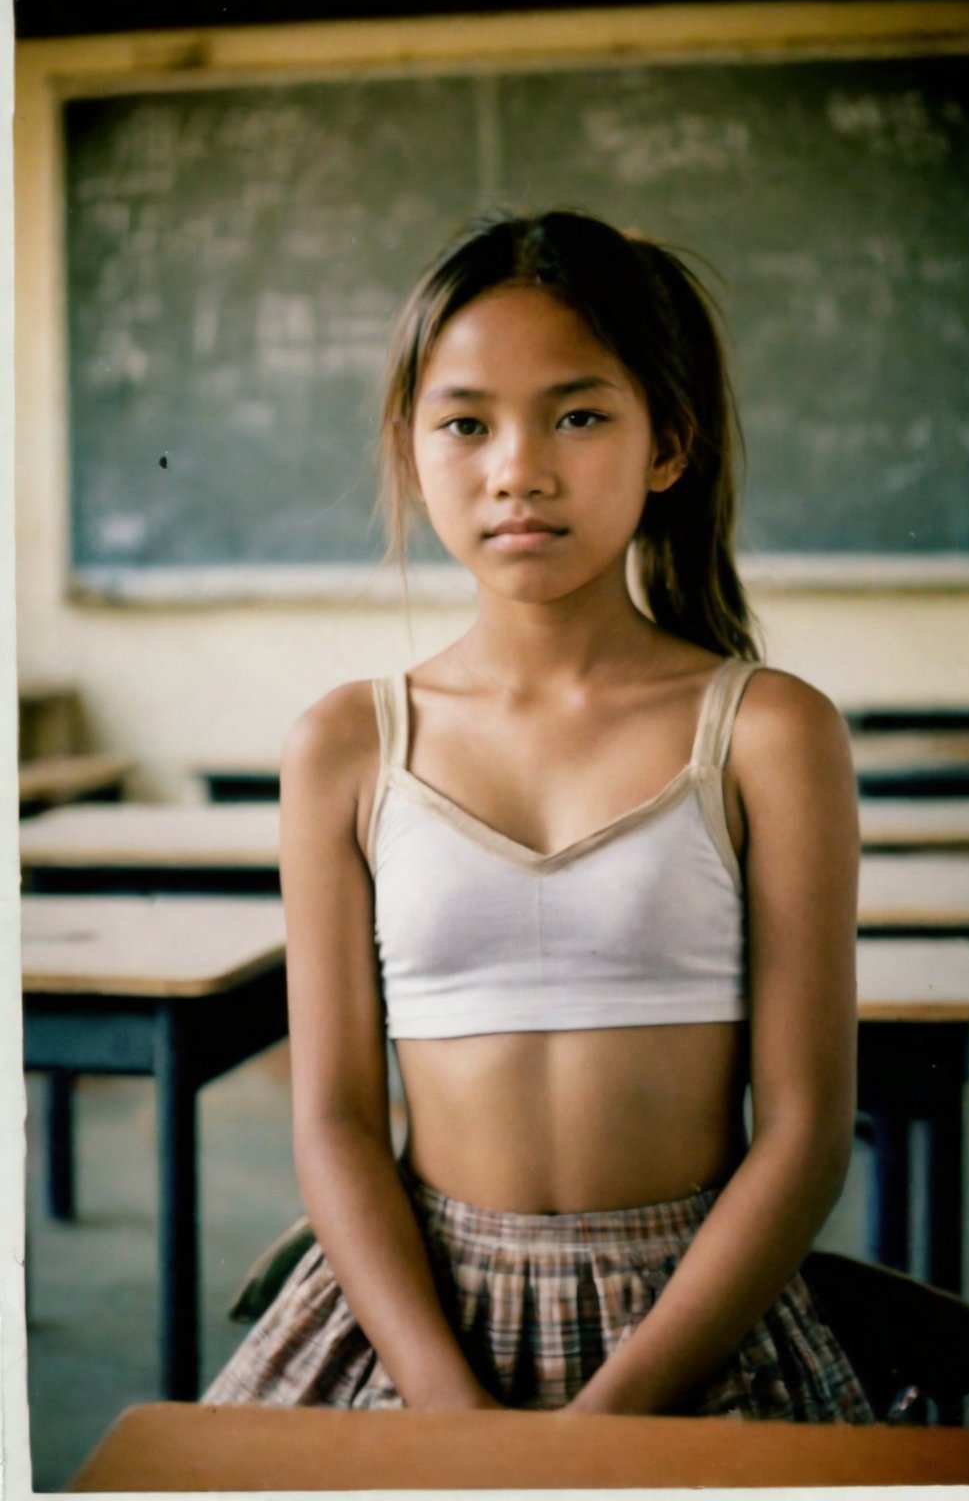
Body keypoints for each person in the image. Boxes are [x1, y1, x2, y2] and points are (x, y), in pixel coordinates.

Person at [203, 209, 873, 1421]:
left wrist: (602, 1430)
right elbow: (339, 1123)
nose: (519, 467)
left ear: (668, 446)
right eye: (465, 422)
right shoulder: (348, 746)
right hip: (416, 1326)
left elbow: (808, 1130)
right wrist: (451, 1418)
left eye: (577, 414)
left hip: (693, 1331)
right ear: (412, 453)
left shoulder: (770, 733)